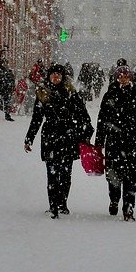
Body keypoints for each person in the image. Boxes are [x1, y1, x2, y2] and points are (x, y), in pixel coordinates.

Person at [24, 63, 93, 218]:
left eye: (58, 75)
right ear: (49, 76)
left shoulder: (71, 93)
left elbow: (82, 115)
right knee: (52, 173)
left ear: (62, 77)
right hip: (50, 137)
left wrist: (86, 133)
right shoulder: (43, 93)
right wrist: (29, 138)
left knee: (66, 174)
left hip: (68, 137)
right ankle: (53, 205)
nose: (55, 77)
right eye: (53, 74)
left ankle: (63, 204)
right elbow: (36, 118)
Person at [97, 65, 136, 221]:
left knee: (131, 177)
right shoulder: (110, 95)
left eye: (126, 76)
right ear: (117, 78)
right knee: (113, 176)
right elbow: (102, 120)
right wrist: (99, 141)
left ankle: (128, 208)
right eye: (121, 76)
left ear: (130, 78)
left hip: (133, 143)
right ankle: (114, 200)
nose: (123, 79)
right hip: (114, 142)